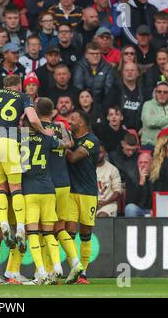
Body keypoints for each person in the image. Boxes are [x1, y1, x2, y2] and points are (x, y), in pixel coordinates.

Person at [0, 74, 52, 253]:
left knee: (0, 187)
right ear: (18, 87)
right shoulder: (23, 97)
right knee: (15, 188)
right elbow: (32, 119)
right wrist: (43, 131)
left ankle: (4, 224)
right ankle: (21, 227)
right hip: (8, 141)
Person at [19, 97, 73, 285]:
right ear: (51, 111)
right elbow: (67, 144)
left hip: (30, 190)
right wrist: (61, 129)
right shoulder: (49, 136)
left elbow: (20, 164)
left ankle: (41, 272)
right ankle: (58, 267)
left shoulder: (22, 137)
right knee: (51, 232)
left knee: (33, 232)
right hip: (49, 188)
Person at [65, 110, 101, 284]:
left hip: (87, 192)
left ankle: (83, 273)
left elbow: (72, 158)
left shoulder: (92, 140)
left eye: (72, 118)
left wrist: (59, 144)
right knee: (70, 232)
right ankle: (75, 268)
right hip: (70, 192)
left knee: (85, 233)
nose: (68, 121)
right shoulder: (69, 139)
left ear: (81, 123)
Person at [73, 42, 114, 113]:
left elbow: (108, 90)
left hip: (102, 106)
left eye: (98, 53)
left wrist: (102, 108)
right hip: (83, 106)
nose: (95, 56)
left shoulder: (107, 67)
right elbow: (78, 88)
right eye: (92, 54)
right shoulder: (79, 67)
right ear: (86, 55)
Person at [141, 81, 168, 149]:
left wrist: (156, 121)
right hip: (150, 144)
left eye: (165, 92)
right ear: (155, 93)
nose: (162, 94)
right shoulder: (147, 105)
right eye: (159, 92)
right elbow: (149, 122)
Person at [108, 62, 146, 131]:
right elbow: (109, 109)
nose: (129, 72)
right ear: (122, 73)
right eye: (127, 70)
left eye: (132, 70)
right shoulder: (115, 89)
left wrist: (143, 127)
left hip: (140, 131)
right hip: (119, 129)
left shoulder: (144, 91)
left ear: (137, 73)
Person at [96, 143, 122, 218]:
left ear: (105, 153)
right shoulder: (87, 168)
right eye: (95, 152)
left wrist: (105, 202)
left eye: (100, 152)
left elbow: (117, 192)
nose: (97, 154)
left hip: (108, 204)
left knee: (101, 216)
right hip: (89, 204)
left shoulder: (112, 169)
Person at [124, 151, 153, 217]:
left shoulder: (157, 175)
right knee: (130, 208)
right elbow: (130, 201)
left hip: (153, 210)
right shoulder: (131, 176)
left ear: (151, 164)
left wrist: (155, 209)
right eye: (140, 162)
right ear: (137, 164)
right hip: (138, 209)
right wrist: (141, 183)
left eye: (146, 162)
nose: (143, 165)